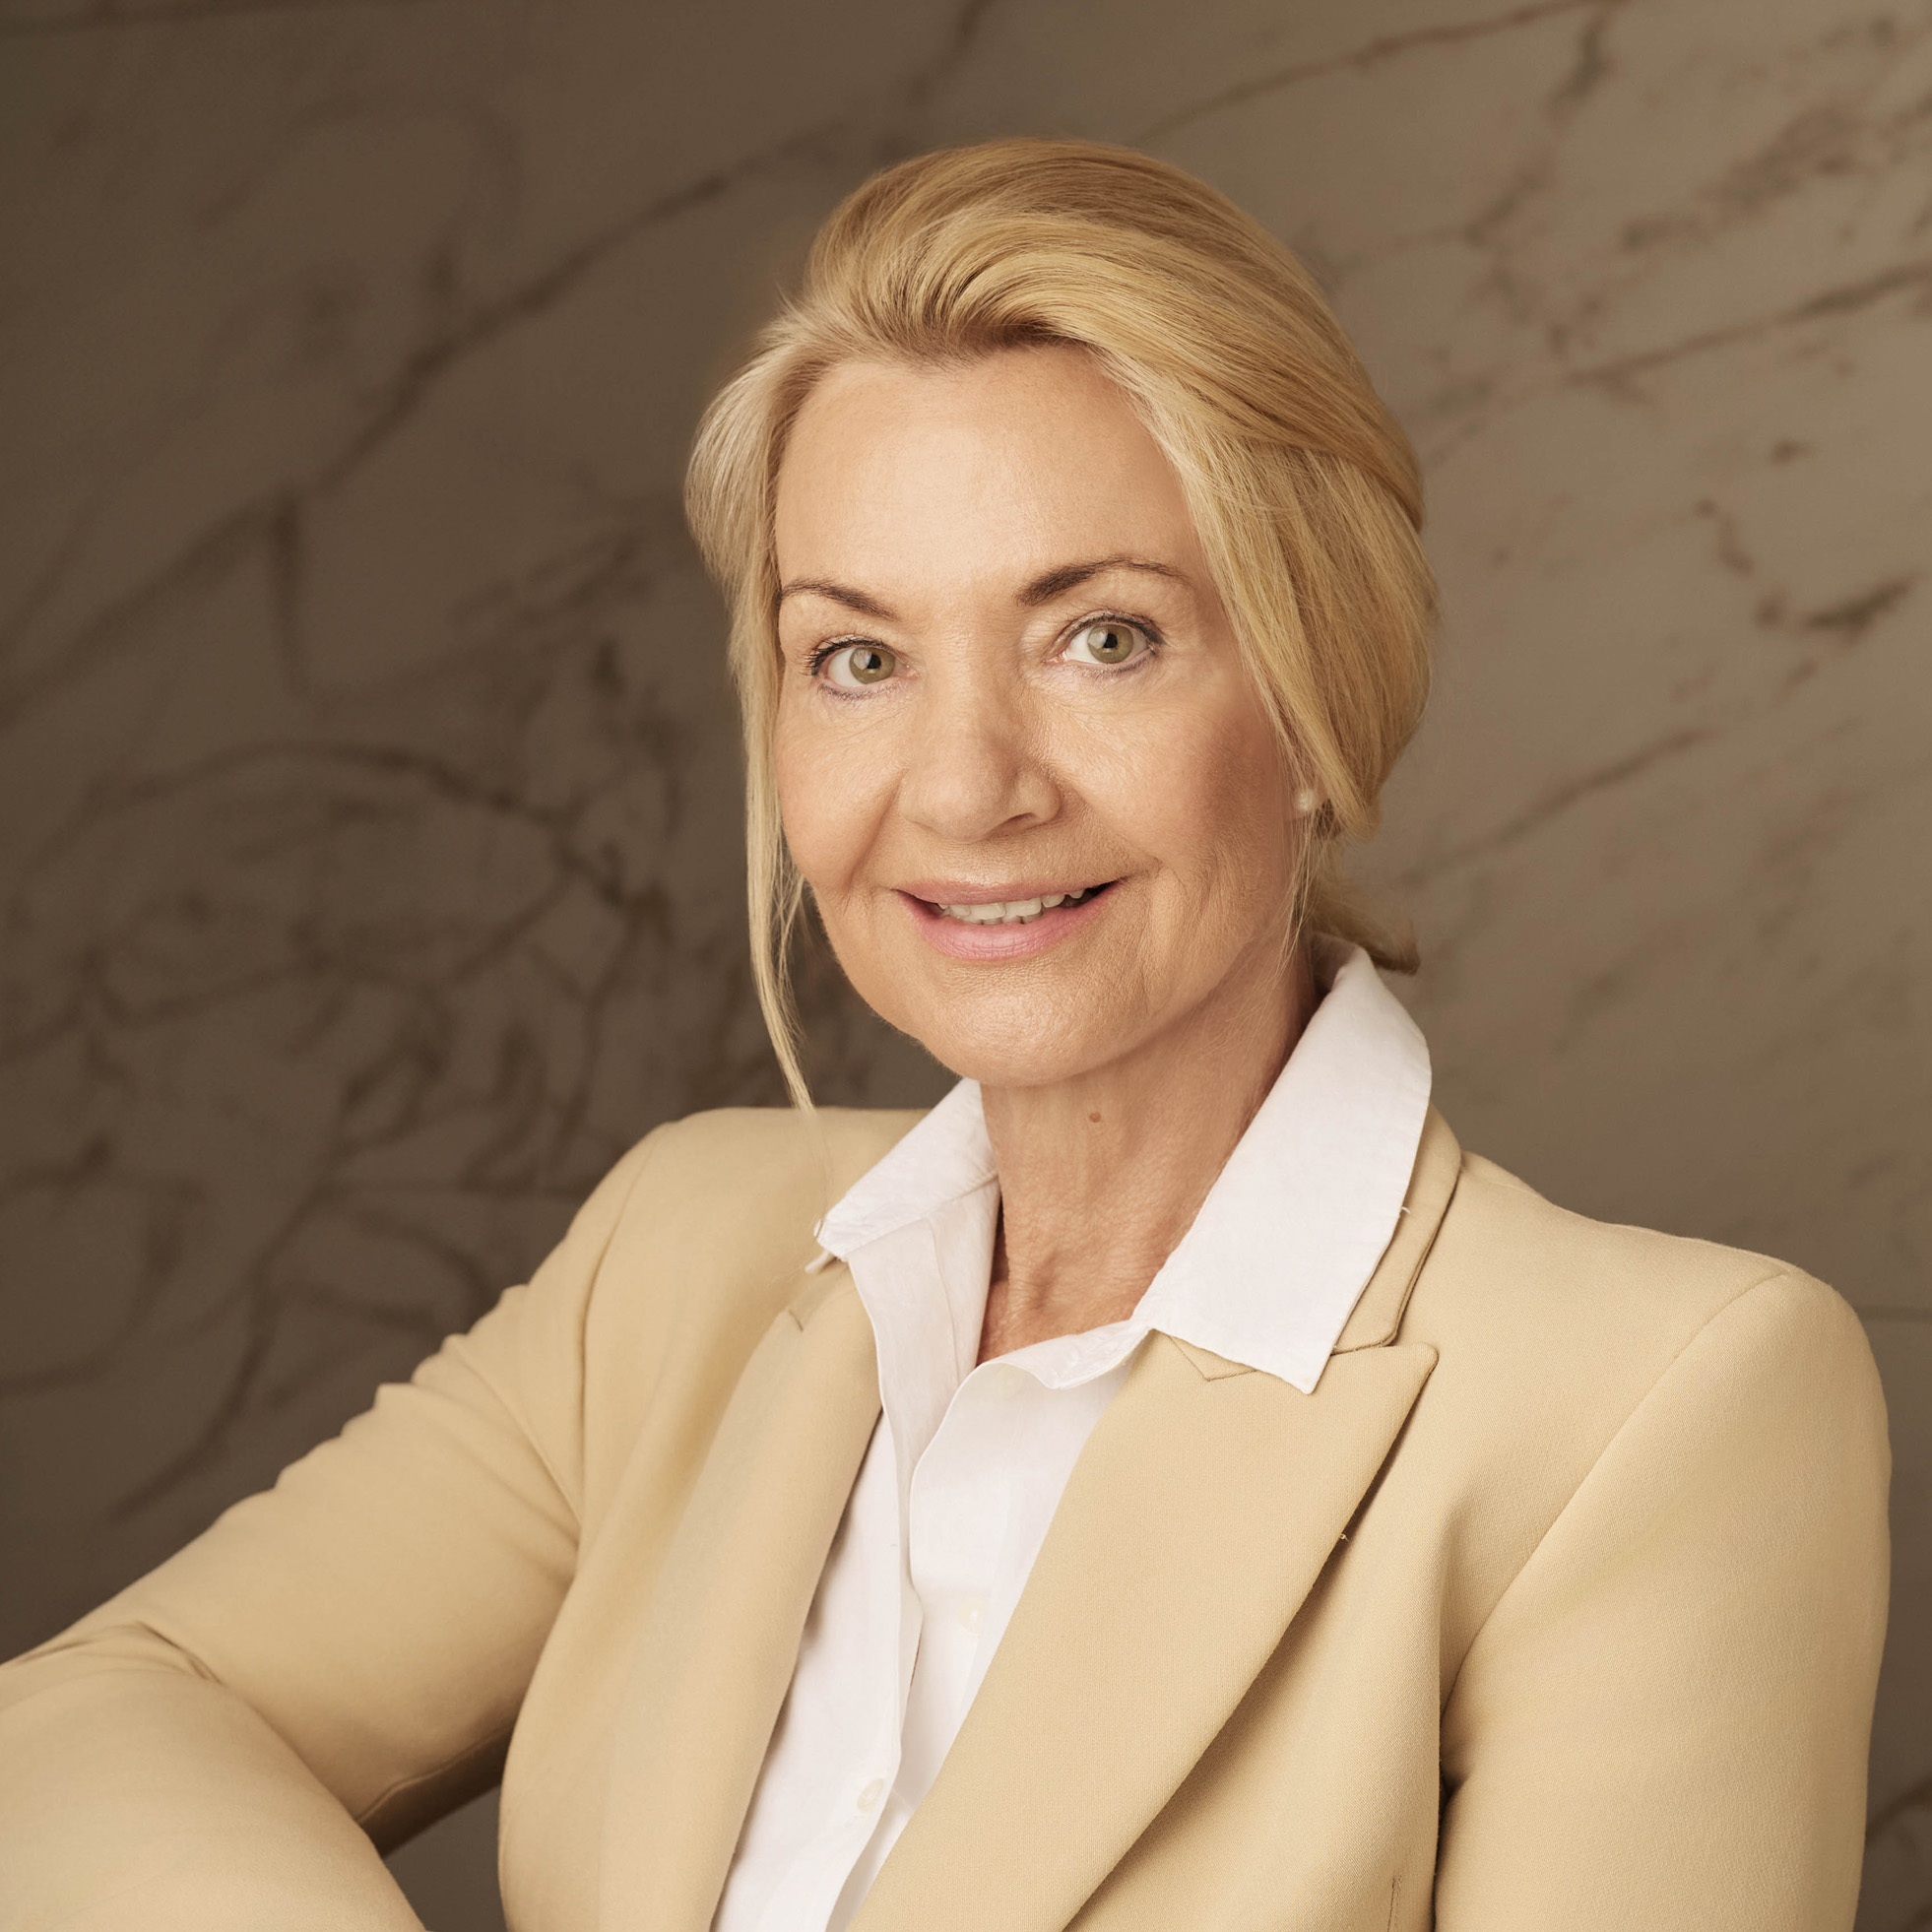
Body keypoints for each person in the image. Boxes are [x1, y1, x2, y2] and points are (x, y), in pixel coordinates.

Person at [0, 139, 1889, 1932]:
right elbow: (98, 1715)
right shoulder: (680, 1252)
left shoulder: (1655, 1405)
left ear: (1319, 696)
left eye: (1103, 637)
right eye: (859, 657)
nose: (967, 786)